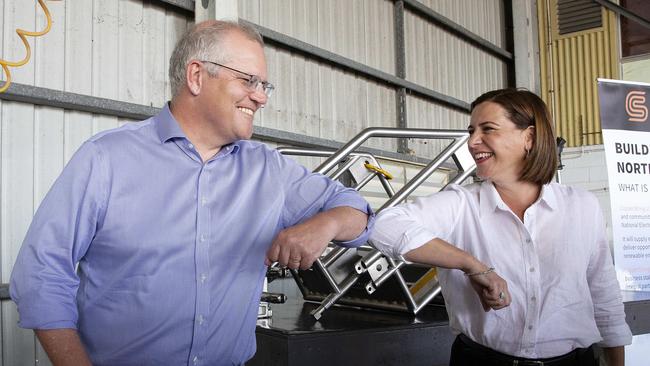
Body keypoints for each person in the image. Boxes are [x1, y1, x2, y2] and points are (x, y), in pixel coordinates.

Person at [10, 20, 372, 366]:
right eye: (249, 80)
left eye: (264, 85)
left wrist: (324, 225)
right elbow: (41, 274)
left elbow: (359, 212)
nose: (260, 97)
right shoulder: (106, 158)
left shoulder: (269, 170)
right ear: (197, 76)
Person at [371, 88, 632, 366]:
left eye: (488, 129)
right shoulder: (462, 204)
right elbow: (382, 226)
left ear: (528, 137)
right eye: (471, 131)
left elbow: (604, 296)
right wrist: (471, 264)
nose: (472, 141)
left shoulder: (582, 207)